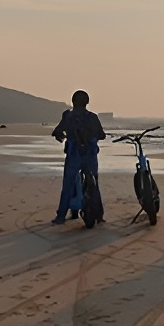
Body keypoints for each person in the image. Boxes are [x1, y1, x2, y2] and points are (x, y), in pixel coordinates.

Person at [51, 90, 106, 225]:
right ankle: (99, 216)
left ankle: (61, 216)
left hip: (74, 154)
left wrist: (63, 135)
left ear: (73, 102)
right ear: (87, 102)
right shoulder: (93, 117)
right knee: (94, 184)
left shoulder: (68, 116)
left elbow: (57, 131)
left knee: (68, 185)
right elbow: (102, 135)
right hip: (90, 155)